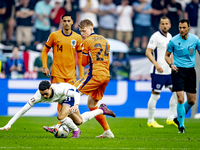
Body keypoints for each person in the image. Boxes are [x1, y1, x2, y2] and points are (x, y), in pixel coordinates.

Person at [0, 80, 116, 138]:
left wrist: (75, 105)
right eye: (42, 94)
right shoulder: (38, 96)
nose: (44, 97)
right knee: (79, 121)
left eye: (46, 94)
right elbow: (23, 110)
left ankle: (76, 131)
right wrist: (9, 124)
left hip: (70, 95)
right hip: (63, 100)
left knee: (60, 116)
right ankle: (102, 110)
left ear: (50, 88)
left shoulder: (59, 90)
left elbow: (75, 95)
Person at [42, 14, 84, 130]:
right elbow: (45, 50)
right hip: (57, 74)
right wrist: (45, 66)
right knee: (61, 100)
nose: (66, 23)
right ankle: (61, 126)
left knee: (71, 100)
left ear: (72, 22)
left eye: (68, 21)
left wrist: (82, 73)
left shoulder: (77, 37)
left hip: (71, 75)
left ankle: (66, 124)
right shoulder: (54, 35)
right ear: (61, 22)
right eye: (64, 20)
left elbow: (80, 56)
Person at [75, 19, 114, 138]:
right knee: (91, 103)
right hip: (106, 75)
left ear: (91, 29)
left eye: (84, 30)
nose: (82, 33)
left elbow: (83, 63)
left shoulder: (87, 41)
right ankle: (108, 132)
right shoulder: (105, 40)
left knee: (72, 93)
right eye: (81, 31)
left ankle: (63, 126)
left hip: (95, 75)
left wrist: (82, 49)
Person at [165, 19, 200, 133]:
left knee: (192, 101)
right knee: (180, 98)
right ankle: (181, 126)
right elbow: (167, 55)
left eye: (184, 27)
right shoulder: (173, 40)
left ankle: (178, 118)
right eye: (180, 27)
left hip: (190, 71)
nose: (181, 30)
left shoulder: (195, 40)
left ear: (189, 28)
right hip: (177, 71)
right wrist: (171, 64)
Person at [145, 16, 177, 128]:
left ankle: (171, 118)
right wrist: (156, 65)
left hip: (169, 71)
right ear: (160, 25)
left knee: (176, 92)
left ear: (170, 25)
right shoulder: (155, 36)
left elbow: (170, 53)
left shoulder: (170, 36)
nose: (164, 25)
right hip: (158, 72)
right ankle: (150, 121)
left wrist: (173, 65)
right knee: (155, 95)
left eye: (166, 23)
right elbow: (148, 52)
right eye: (162, 23)